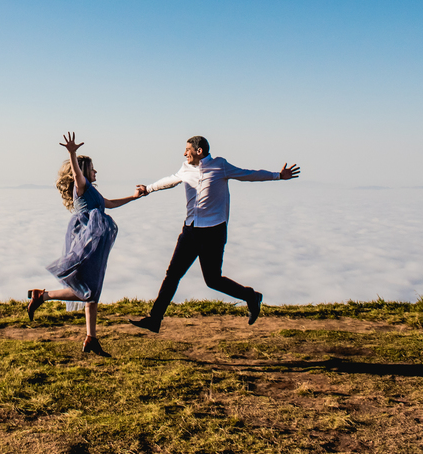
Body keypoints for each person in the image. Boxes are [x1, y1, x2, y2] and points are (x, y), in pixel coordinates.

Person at [128, 135, 299, 333]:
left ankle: (251, 297)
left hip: (213, 232)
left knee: (213, 280)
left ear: (198, 151)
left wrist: (278, 175)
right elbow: (171, 180)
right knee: (172, 275)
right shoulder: (185, 168)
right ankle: (154, 319)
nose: (184, 153)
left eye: (187, 150)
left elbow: (248, 174)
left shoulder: (220, 166)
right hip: (190, 230)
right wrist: (148, 189)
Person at [27, 132, 145, 357]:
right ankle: (42, 296)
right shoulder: (81, 186)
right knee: (87, 290)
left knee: (93, 290)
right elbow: (77, 173)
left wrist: (133, 197)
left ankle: (91, 338)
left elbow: (108, 203)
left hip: (96, 243)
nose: (96, 171)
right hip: (87, 243)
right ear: (83, 170)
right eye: (92, 168)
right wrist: (72, 153)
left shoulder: (92, 191)